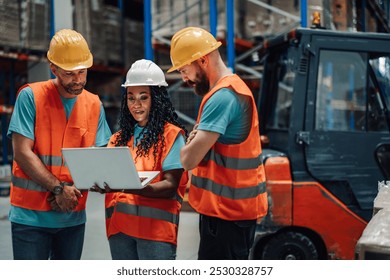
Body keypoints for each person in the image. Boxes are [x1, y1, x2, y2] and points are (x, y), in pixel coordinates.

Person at [7, 29, 112, 260]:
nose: (78, 80)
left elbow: (101, 154)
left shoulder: (94, 104)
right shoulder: (30, 97)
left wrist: (86, 185)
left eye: (82, 72)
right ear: (53, 68)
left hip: (72, 217)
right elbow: (22, 152)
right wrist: (58, 189)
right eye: (69, 73)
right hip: (30, 218)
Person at [167, 27, 268, 260]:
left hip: (227, 215)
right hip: (228, 212)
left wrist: (189, 145)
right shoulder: (231, 89)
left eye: (184, 70)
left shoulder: (223, 97)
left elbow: (188, 159)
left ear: (202, 60)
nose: (184, 78)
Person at [90, 59, 188, 260]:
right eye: (131, 98)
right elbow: (109, 177)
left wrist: (128, 186)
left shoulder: (171, 136)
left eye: (144, 97)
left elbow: (170, 186)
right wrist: (99, 181)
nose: (136, 105)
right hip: (119, 231)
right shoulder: (118, 139)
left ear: (157, 99)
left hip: (156, 234)